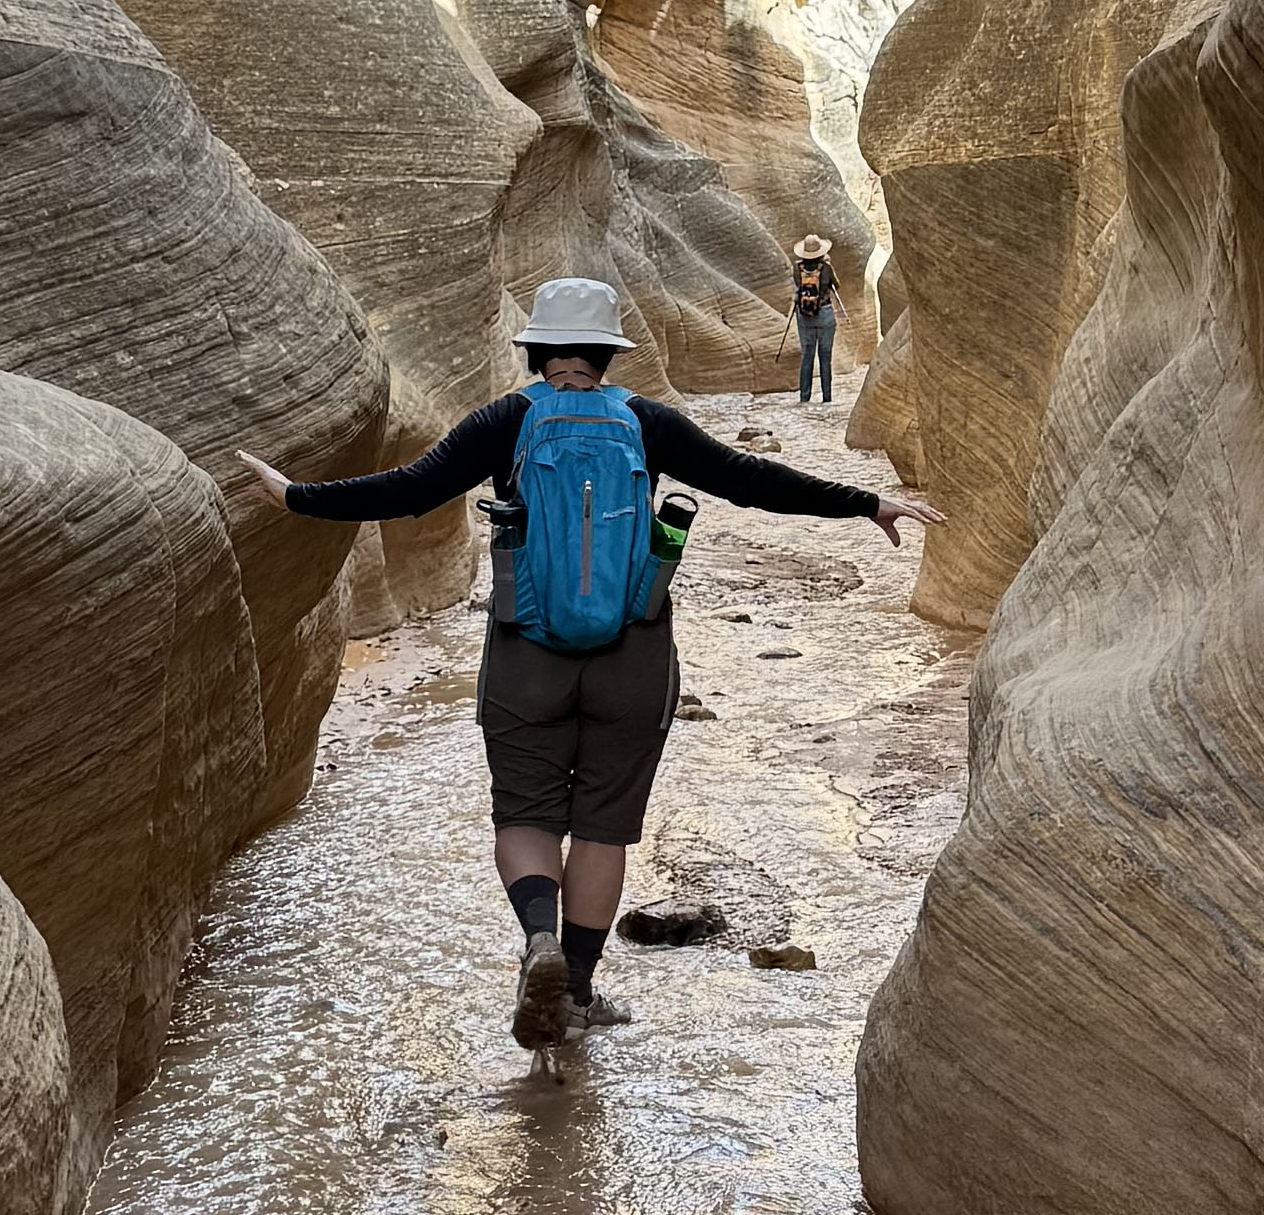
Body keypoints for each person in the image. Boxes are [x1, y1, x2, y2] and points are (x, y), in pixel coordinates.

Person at [234, 274, 933, 1052]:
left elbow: (410, 489)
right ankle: (574, 989)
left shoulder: (507, 420)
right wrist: (866, 502)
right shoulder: (646, 422)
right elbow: (749, 480)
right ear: (607, 355)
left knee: (526, 814)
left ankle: (539, 938)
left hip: (525, 650)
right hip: (634, 654)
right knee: (603, 830)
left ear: (537, 353)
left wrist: (296, 497)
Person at [789, 233, 840, 407]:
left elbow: (798, 285)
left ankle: (804, 398)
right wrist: (828, 265)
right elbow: (836, 285)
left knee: (807, 356)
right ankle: (826, 398)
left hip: (804, 316)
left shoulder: (798, 268)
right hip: (825, 314)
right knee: (825, 357)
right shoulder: (826, 268)